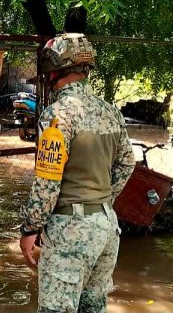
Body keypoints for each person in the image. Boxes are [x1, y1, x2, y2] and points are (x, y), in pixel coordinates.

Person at [19, 33, 135, 313]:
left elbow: (47, 183)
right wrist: (101, 203)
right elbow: (127, 163)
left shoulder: (57, 116)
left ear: (54, 69)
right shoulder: (110, 112)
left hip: (70, 230)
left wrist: (30, 228)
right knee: (93, 307)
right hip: (107, 227)